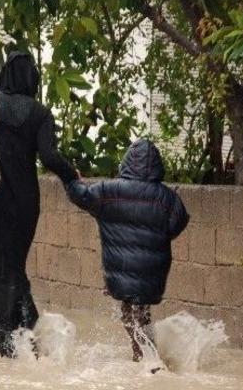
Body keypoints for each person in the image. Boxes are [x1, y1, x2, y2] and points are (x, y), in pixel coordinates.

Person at [0, 51, 78, 356]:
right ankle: (30, 337)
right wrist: (71, 175)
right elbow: (49, 157)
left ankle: (6, 347)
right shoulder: (39, 113)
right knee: (13, 270)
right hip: (23, 208)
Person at [65, 138, 189, 361]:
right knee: (141, 312)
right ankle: (146, 355)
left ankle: (144, 357)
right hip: (153, 271)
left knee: (129, 312)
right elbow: (177, 224)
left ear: (127, 162)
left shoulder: (109, 191)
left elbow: (81, 196)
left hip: (120, 270)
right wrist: (157, 238)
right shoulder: (168, 198)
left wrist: (73, 181)